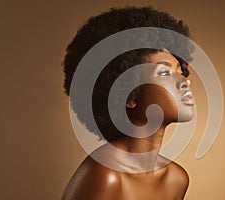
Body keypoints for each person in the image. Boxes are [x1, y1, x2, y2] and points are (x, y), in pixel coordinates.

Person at [62, 6, 195, 200]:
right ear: (128, 94)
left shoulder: (175, 179)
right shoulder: (104, 175)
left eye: (181, 71)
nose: (185, 81)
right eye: (165, 72)